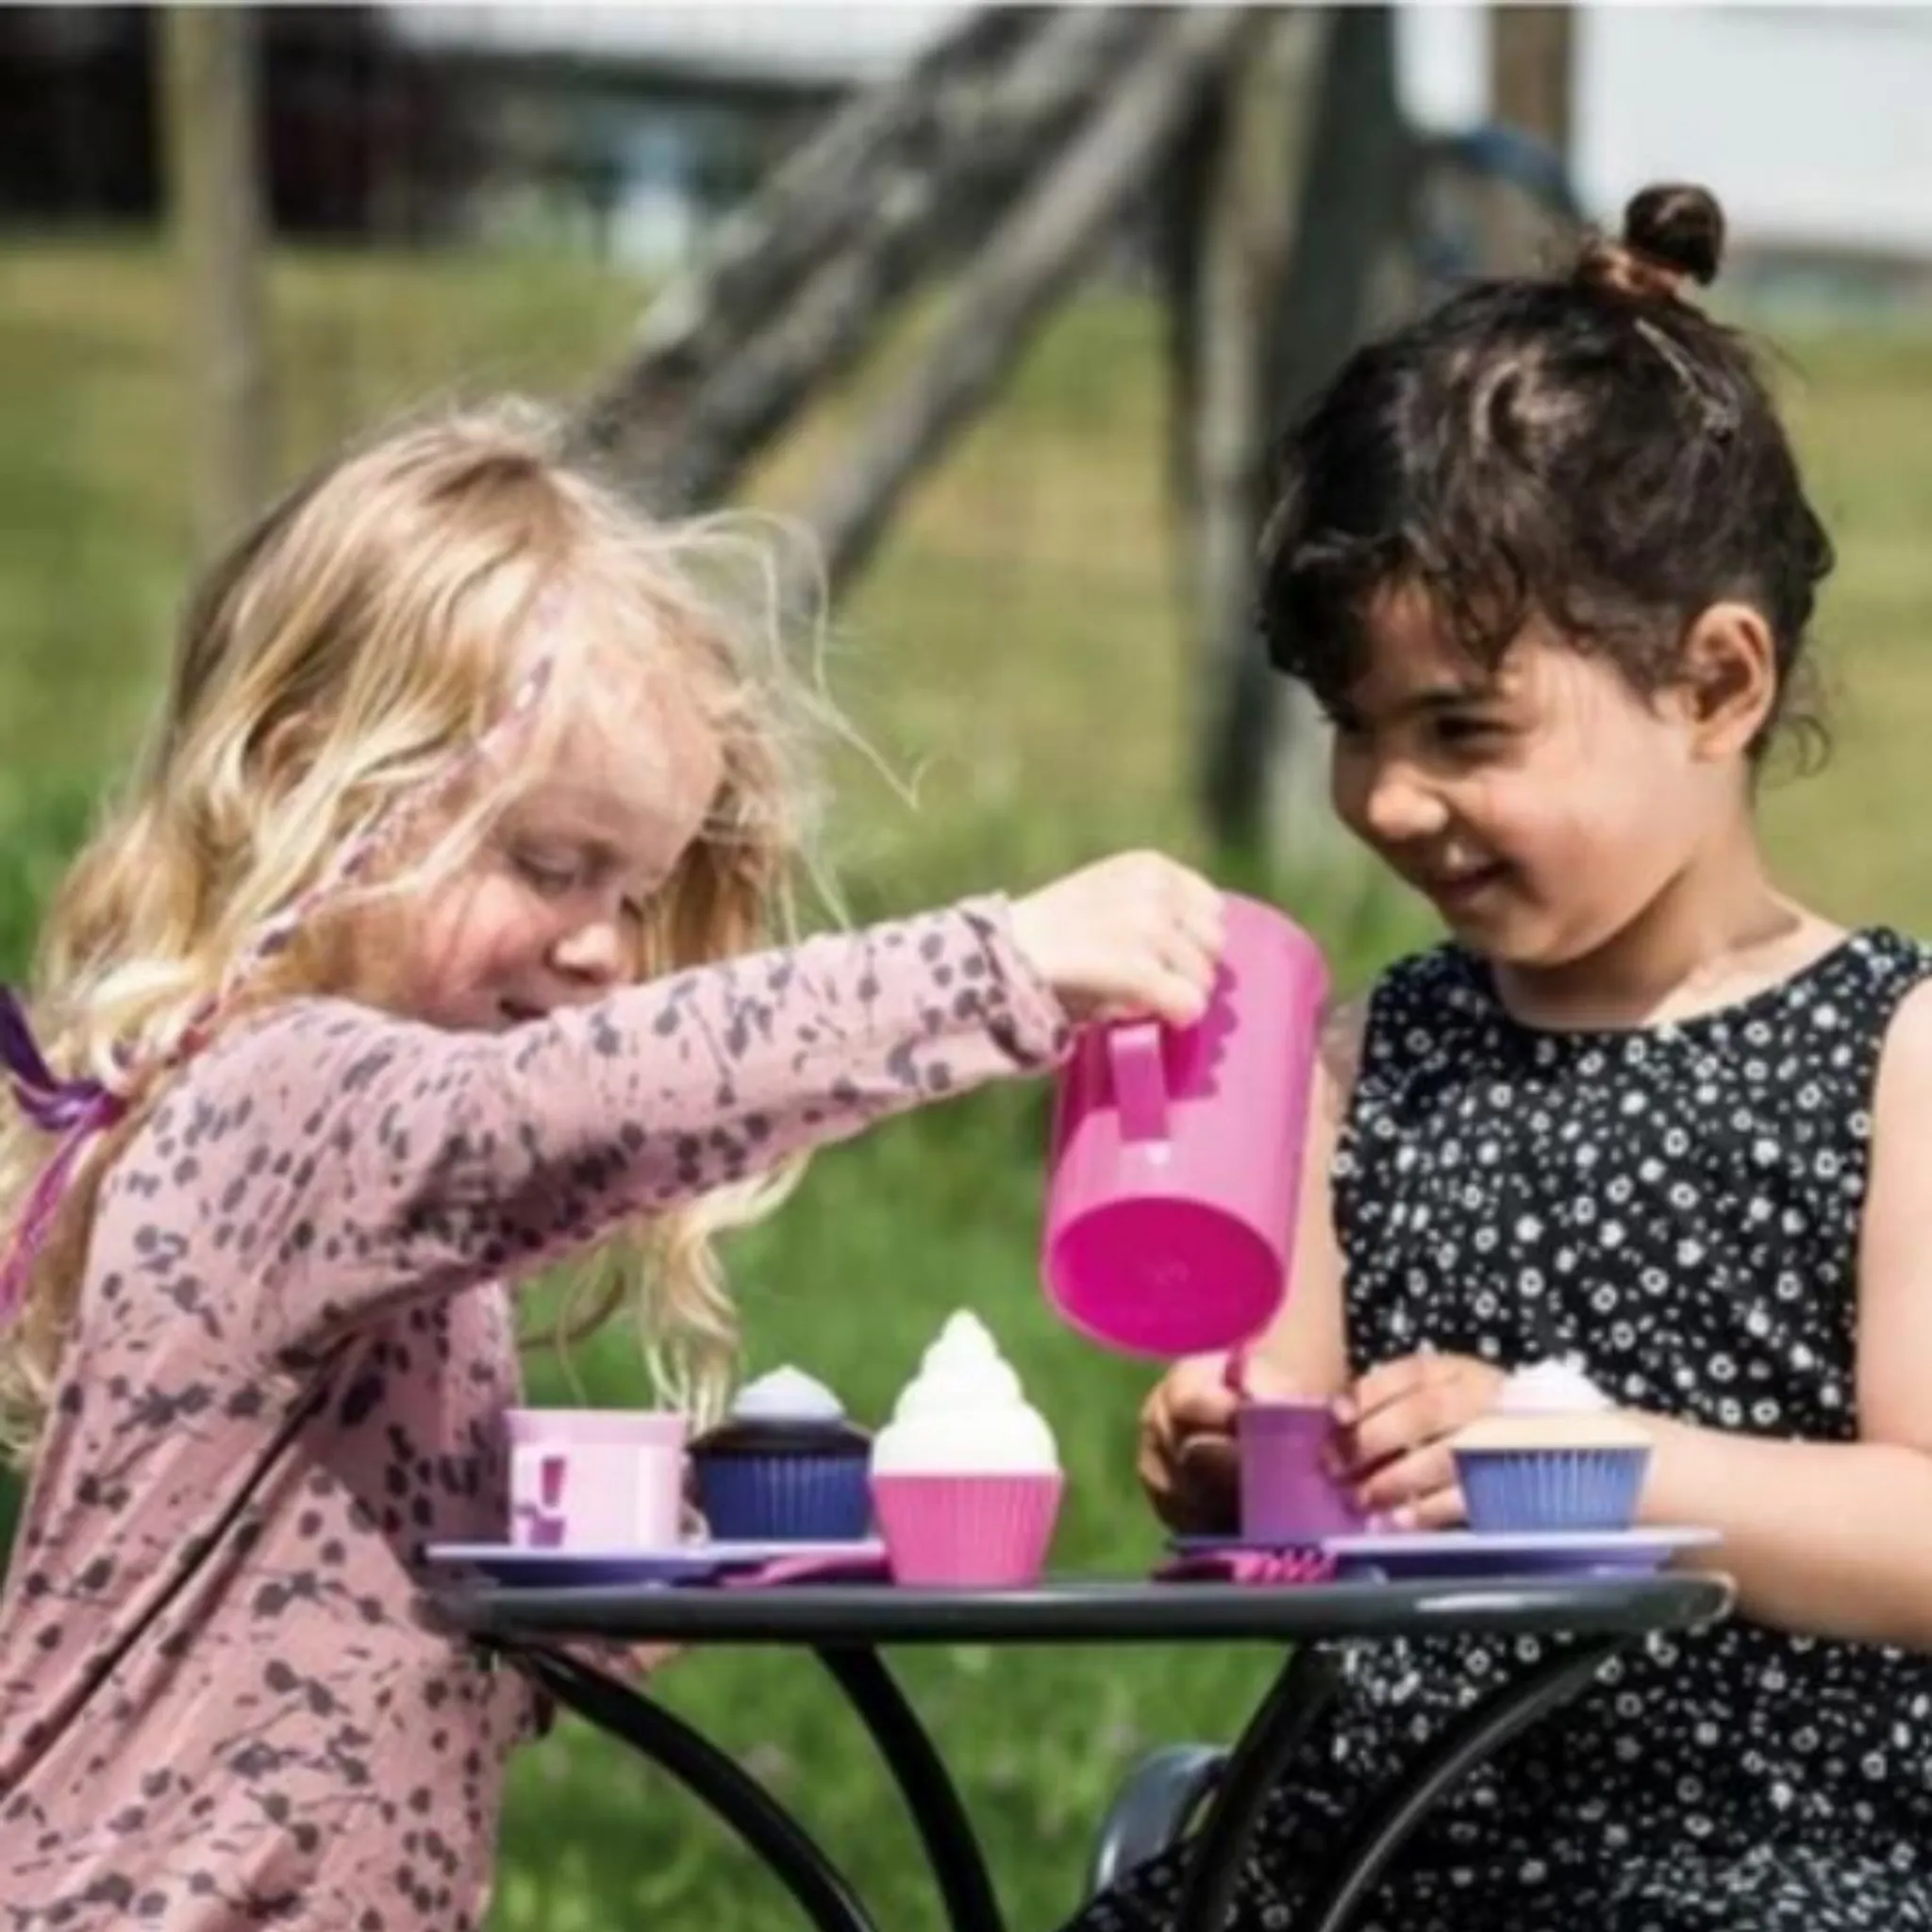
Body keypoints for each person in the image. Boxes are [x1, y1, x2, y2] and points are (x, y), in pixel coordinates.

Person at [0, 399, 1226, 1928]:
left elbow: (372, 1657)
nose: (601, 948)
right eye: (548, 865)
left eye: (635, 891)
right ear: (313, 777)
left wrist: (642, 1578)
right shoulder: (287, 1103)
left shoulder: (374, 1204)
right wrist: (1001, 966)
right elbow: (564, 1109)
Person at [1105, 183, 1932, 1931]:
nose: (1392, 801)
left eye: (1464, 730)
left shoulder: (1895, 1053)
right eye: (1356, 729)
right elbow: (1284, 1469)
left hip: (1751, 1861)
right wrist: (1226, 1449)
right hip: (1358, 1856)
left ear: (1716, 685)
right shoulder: (1373, 1051)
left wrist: (1581, 1468)